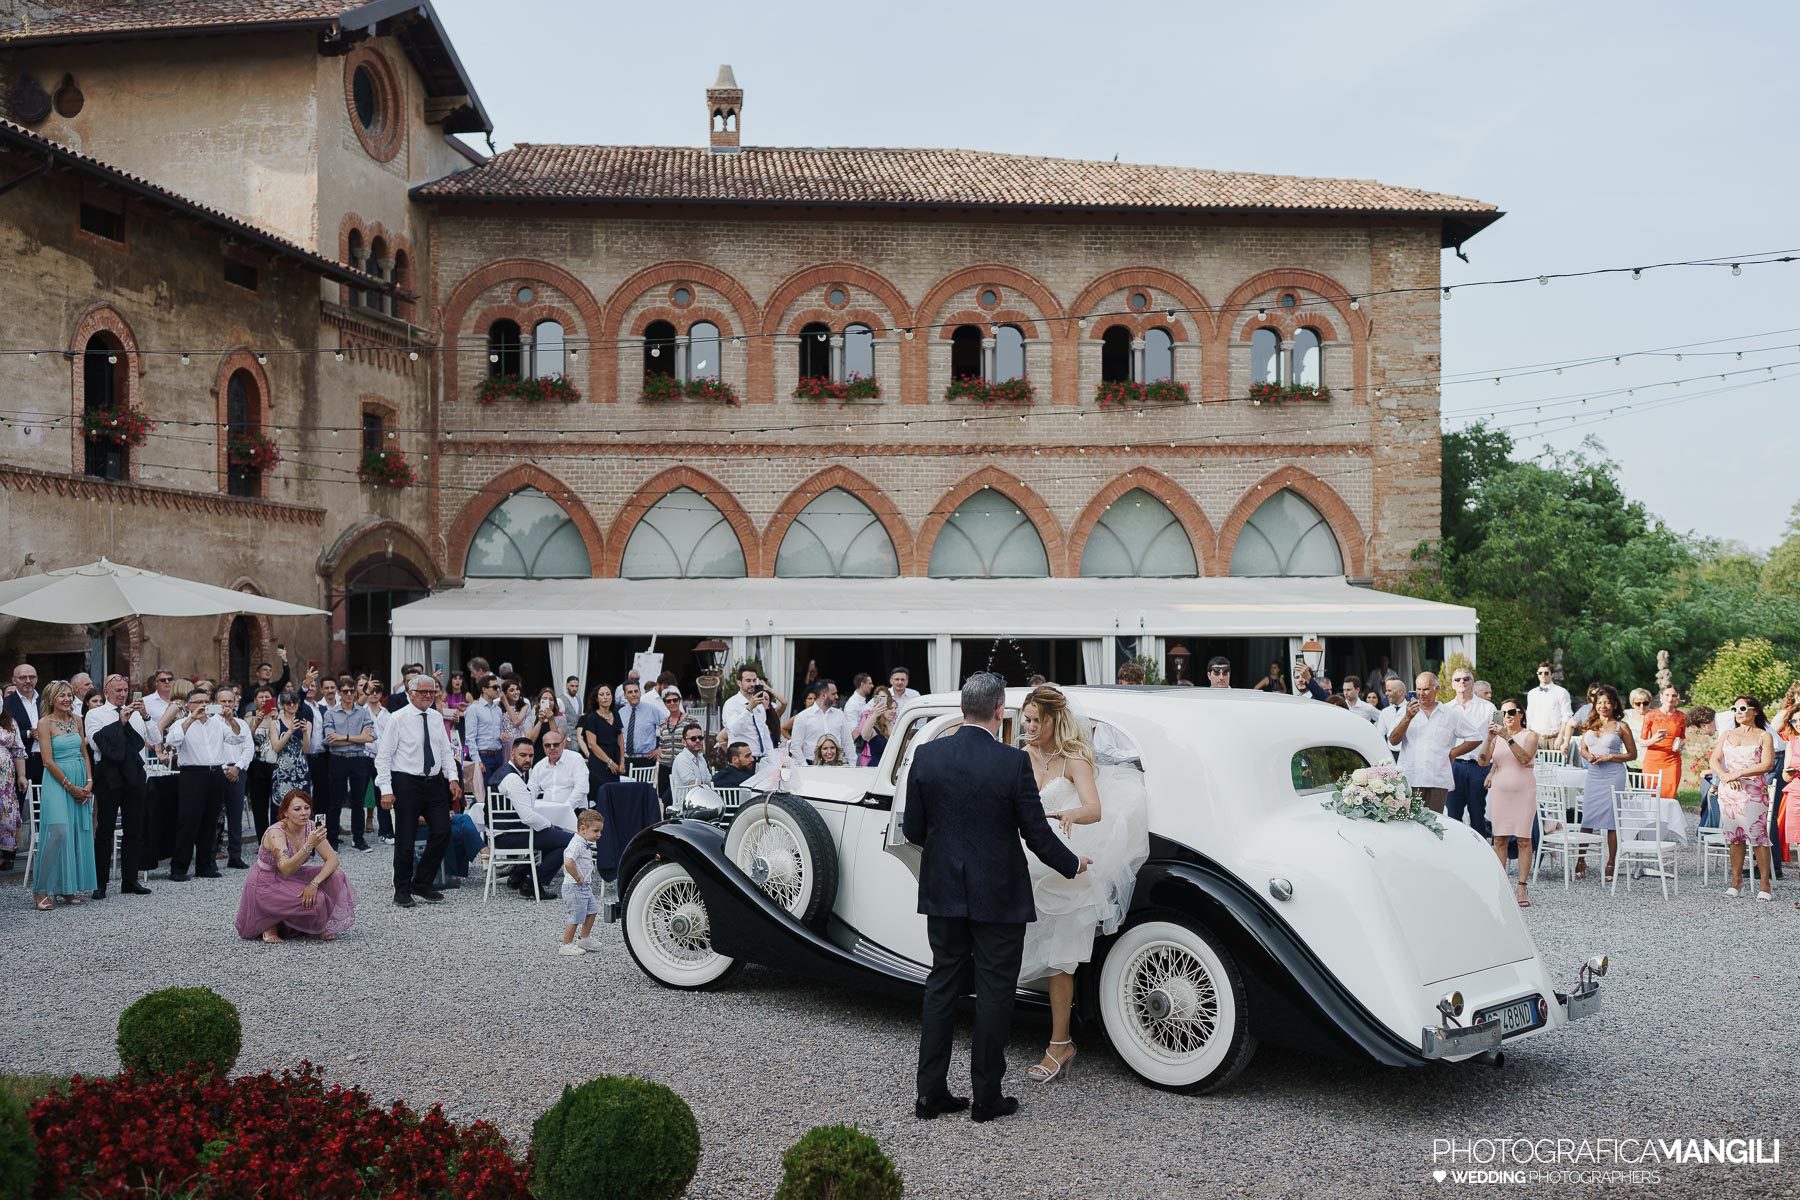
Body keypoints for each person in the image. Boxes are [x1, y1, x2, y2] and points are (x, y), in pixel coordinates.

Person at [902, 673, 1087, 1124]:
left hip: (944, 890)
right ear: (1000, 709)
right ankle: (987, 1097)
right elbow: (1036, 832)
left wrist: (948, 852)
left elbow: (912, 830)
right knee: (994, 993)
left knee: (942, 986)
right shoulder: (1011, 763)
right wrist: (1072, 863)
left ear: (963, 708)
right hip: (999, 896)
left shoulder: (927, 755)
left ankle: (930, 1095)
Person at [1015, 685, 1147, 1086]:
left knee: (1060, 959)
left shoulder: (1074, 759)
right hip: (1026, 861)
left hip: (1069, 862)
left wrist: (1069, 812)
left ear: (1056, 719)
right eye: (1027, 721)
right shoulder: (1020, 757)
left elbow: (1094, 809)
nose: (1032, 728)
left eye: (1038, 720)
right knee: (1015, 944)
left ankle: (1060, 1043)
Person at [375, 674, 462, 909]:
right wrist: (386, 789)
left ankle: (422, 881)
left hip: (433, 782)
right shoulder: (397, 718)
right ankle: (402, 889)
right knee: (406, 837)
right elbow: (383, 757)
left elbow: (445, 751)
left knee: (443, 831)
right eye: (423, 692)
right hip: (406, 781)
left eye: (431, 692)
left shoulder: (435, 717)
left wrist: (452, 778)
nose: (427, 696)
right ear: (410, 693)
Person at [236, 789, 357, 942]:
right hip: (267, 882)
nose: (304, 813)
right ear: (285, 812)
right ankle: (269, 922)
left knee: (337, 875)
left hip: (293, 874)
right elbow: (285, 868)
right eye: (297, 809)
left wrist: (314, 883)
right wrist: (309, 845)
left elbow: (333, 860)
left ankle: (315, 927)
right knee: (318, 899)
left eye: (307, 808)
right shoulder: (276, 833)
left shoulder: (311, 826)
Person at [85, 673, 160, 898]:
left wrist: (145, 716)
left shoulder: (137, 714)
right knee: (105, 829)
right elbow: (96, 743)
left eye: (125, 690)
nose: (122, 694)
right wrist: (120, 723)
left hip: (134, 774)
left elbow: (155, 740)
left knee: (134, 828)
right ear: (106, 691)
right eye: (117, 690)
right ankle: (101, 883)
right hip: (108, 775)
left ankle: (130, 879)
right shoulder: (95, 714)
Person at [165, 686, 246, 882]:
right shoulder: (182, 723)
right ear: (189, 705)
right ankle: (179, 867)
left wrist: (230, 719)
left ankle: (205, 864)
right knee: (188, 821)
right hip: (192, 774)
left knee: (211, 820)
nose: (203, 706)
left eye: (206, 702)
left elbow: (237, 737)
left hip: (215, 772)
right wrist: (192, 718)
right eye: (199, 702)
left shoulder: (218, 723)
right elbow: (172, 740)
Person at [31, 681, 97, 910]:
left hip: (80, 776)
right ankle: (39, 890)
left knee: (76, 833)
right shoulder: (44, 723)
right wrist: (70, 787)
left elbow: (85, 754)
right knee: (58, 832)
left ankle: (66, 888)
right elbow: (47, 761)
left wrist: (88, 783)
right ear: (51, 699)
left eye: (69, 695)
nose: (67, 699)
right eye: (62, 696)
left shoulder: (77, 720)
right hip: (57, 781)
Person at [1709, 695, 1774, 900]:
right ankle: (1736, 881)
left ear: (1754, 711)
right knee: (1734, 837)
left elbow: (1767, 765)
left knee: (1759, 837)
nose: (1738, 712)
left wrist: (1737, 774)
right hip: (1730, 793)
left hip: (1754, 792)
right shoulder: (1727, 734)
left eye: (1743, 708)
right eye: (1734, 708)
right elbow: (1714, 760)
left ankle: (1765, 885)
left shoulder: (1764, 736)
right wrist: (1724, 778)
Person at [492, 738, 573, 897]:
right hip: (509, 836)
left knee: (556, 837)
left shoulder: (504, 772)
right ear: (512, 753)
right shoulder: (513, 779)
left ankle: (520, 874)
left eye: (531, 755)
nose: (527, 759)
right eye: (523, 755)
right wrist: (549, 824)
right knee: (570, 841)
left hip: (503, 834)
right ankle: (532, 882)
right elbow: (528, 816)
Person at [1386, 673, 1476, 814]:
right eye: (1419, 689)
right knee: (1408, 825)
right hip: (1410, 778)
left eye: (1426, 689)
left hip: (1437, 779)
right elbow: (1393, 740)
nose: (1421, 693)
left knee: (1433, 824)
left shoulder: (1451, 714)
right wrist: (1407, 718)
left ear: (1437, 688)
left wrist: (1454, 752)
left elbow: (1475, 736)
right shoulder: (1405, 711)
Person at [1479, 697, 1538, 907]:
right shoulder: (1498, 737)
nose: (1507, 717)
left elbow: (1524, 758)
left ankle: (1522, 886)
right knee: (1500, 839)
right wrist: (1489, 739)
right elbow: (1483, 760)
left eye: (1511, 712)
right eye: (1503, 713)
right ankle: (1500, 885)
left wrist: (1508, 738)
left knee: (1523, 839)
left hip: (1524, 791)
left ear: (1520, 713)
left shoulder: (1530, 735)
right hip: (1501, 792)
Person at [1574, 684, 1634, 884]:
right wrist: (1588, 756)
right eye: (1599, 702)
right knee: (1588, 817)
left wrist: (1611, 756)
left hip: (1613, 775)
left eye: (1607, 702)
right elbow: (1582, 748)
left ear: (1615, 704)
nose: (1603, 706)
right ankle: (1581, 860)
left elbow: (1632, 754)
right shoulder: (1590, 724)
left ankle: (1611, 862)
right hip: (1594, 774)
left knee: (1611, 820)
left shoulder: (1621, 726)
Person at [322, 682, 375, 852]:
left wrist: (343, 736)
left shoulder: (363, 711)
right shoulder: (331, 713)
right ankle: (332, 840)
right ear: (339, 692)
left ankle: (358, 839)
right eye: (345, 691)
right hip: (338, 759)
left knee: (358, 801)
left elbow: (370, 738)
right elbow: (331, 740)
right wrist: (357, 737)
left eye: (352, 690)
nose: (349, 694)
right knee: (335, 801)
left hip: (359, 759)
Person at [1444, 667, 1496, 837]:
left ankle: (1480, 859)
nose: (1462, 682)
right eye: (1458, 679)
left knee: (1477, 816)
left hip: (1478, 767)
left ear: (1473, 682)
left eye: (1466, 679)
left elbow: (1498, 737)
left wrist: (1494, 768)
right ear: (1452, 684)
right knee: (1453, 816)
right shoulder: (1445, 709)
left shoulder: (1489, 707)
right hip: (1453, 767)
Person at [213, 687, 256, 868]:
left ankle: (235, 856)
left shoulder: (241, 723)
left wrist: (237, 768)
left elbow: (249, 748)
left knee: (235, 815)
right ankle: (210, 855)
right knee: (213, 814)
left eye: (230, 701)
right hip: (216, 771)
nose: (227, 705)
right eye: (223, 701)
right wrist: (224, 769)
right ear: (215, 703)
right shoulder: (210, 723)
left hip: (238, 771)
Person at [557, 809, 605, 955]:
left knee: (592, 911)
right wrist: (578, 877)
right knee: (576, 916)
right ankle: (566, 945)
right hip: (574, 886)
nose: (599, 834)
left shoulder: (584, 842)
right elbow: (568, 863)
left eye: (600, 831)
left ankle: (584, 938)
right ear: (583, 829)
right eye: (596, 831)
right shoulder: (576, 844)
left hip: (584, 886)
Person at [721, 667, 777, 767]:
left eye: (754, 680)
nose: (752, 684)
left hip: (761, 761)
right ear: (739, 683)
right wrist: (748, 708)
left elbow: (764, 735)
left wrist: (773, 761)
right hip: (742, 763)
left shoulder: (759, 705)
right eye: (748, 680)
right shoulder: (731, 704)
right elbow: (734, 730)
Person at [1639, 686, 1686, 800]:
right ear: (1661, 697)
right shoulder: (1651, 715)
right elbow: (1641, 742)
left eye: (1674, 695)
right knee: (1652, 798)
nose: (1670, 698)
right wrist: (1654, 740)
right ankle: (1652, 819)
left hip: (1672, 762)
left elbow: (1683, 738)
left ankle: (1666, 818)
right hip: (1652, 762)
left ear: (1677, 698)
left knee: (1669, 797)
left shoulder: (1681, 717)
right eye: (1667, 695)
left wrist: (1680, 744)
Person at [792, 680, 853, 765]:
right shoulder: (802, 717)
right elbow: (795, 746)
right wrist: (805, 766)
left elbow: (848, 743)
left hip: (836, 766)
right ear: (824, 695)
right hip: (811, 765)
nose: (837, 697)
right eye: (833, 694)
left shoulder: (840, 715)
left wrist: (852, 765)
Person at [577, 683, 624, 792]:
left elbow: (620, 738)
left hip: (615, 759)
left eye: (608, 694)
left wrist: (621, 761)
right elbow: (591, 744)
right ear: (597, 699)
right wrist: (609, 762)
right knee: (601, 794)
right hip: (599, 762)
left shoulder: (615, 714)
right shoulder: (591, 718)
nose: (605, 697)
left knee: (615, 793)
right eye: (602, 694)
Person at [5, 663, 43, 795]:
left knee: (45, 804)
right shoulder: (6, 704)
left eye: (31, 677)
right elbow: (4, 733)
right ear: (14, 680)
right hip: (21, 761)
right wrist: (28, 733)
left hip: (47, 759)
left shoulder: (46, 700)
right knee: (19, 802)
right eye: (23, 677)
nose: (28, 681)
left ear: (37, 678)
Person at [0, 707, 25, 872]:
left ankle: (8, 855)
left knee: (6, 811)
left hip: (5, 780)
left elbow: (18, 750)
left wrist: (22, 775)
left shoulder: (10, 721)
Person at [464, 676, 505, 778]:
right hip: (483, 756)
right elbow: (470, 738)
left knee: (498, 792)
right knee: (485, 792)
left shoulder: (498, 710)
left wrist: (503, 736)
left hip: (498, 755)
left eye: (499, 687)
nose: (498, 690)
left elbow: (500, 732)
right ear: (484, 689)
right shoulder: (474, 709)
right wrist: (477, 761)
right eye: (495, 687)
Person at [1525, 662, 1573, 750]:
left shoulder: (1561, 692)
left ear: (1552, 674)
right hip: (1536, 738)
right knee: (1535, 764)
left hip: (1555, 738)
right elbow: (1529, 716)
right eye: (1540, 673)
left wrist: (1560, 736)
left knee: (1557, 764)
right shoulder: (1531, 693)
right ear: (1537, 674)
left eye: (1546, 673)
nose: (1543, 675)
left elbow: (1567, 716)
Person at [670, 723, 711, 801]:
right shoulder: (682, 759)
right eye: (693, 739)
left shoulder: (701, 758)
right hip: (687, 805)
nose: (698, 741)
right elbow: (692, 785)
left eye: (700, 738)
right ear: (684, 742)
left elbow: (708, 781)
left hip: (701, 801)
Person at [856, 695, 895, 767]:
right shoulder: (874, 728)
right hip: (876, 768)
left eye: (895, 708)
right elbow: (864, 735)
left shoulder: (895, 727)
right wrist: (874, 715)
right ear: (883, 709)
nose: (894, 711)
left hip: (891, 768)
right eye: (891, 708)